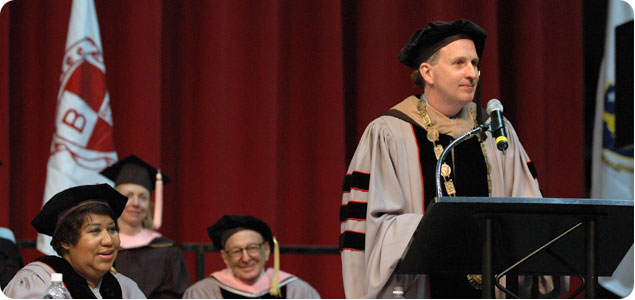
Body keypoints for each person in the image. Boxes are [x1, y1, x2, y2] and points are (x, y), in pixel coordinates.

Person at [338, 19, 567, 298]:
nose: (472, 73)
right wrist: (438, 227)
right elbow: (372, 229)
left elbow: (529, 211)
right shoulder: (389, 133)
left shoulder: (495, 132)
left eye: (475, 63)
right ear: (428, 72)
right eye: (459, 63)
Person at [2, 184, 146, 298]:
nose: (108, 240)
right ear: (66, 240)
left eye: (112, 229)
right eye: (95, 231)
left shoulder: (126, 288)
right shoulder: (38, 283)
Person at [99, 154, 191, 298]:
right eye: (128, 196)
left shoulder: (167, 250)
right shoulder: (102, 245)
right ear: (115, 200)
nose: (136, 203)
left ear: (149, 203)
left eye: (142, 197)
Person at [183, 215, 320, 298]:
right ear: (225, 257)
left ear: (266, 250)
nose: (246, 258)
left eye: (253, 248)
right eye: (236, 251)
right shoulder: (203, 293)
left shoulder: (297, 291)